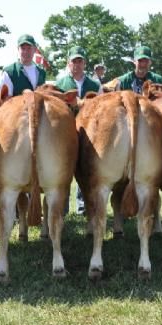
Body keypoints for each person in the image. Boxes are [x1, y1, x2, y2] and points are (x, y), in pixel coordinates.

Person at [56, 46, 102, 215]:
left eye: (80, 61)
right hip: (66, 132)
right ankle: (64, 206)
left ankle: (84, 206)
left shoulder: (95, 85)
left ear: (84, 63)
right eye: (74, 61)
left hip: (88, 133)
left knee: (86, 167)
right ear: (68, 63)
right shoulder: (60, 84)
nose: (77, 64)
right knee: (65, 168)